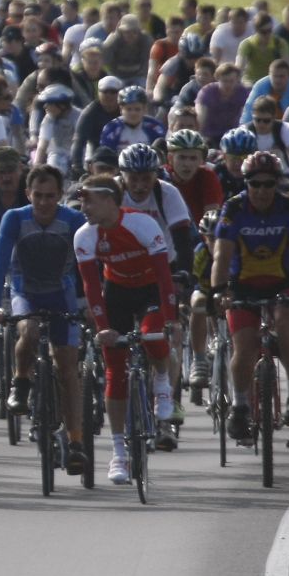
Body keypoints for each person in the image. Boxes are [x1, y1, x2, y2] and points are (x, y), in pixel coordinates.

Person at [73, 175, 180, 479]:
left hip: (150, 291)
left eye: (89, 199)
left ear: (109, 200)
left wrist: (171, 317)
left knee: (153, 336)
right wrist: (104, 327)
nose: (84, 207)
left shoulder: (142, 224)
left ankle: (162, 383)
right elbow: (92, 286)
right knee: (114, 372)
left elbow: (164, 275)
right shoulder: (85, 235)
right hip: (116, 292)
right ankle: (118, 452)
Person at [0, 164, 88, 474]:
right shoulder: (15, 218)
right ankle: (21, 381)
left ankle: (75, 442)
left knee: (68, 368)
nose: (44, 203)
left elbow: (87, 267)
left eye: (51, 196)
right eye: (38, 196)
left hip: (62, 292)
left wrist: (88, 305)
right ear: (28, 193)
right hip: (25, 291)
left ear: (61, 195)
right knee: (28, 331)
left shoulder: (74, 220)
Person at [211, 150, 289, 442]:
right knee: (244, 346)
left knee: (286, 324)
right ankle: (240, 406)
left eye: (269, 184)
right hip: (243, 284)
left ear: (277, 185)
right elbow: (221, 255)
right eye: (254, 184)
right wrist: (219, 291)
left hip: (283, 282)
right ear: (246, 184)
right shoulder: (234, 209)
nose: (261, 190)